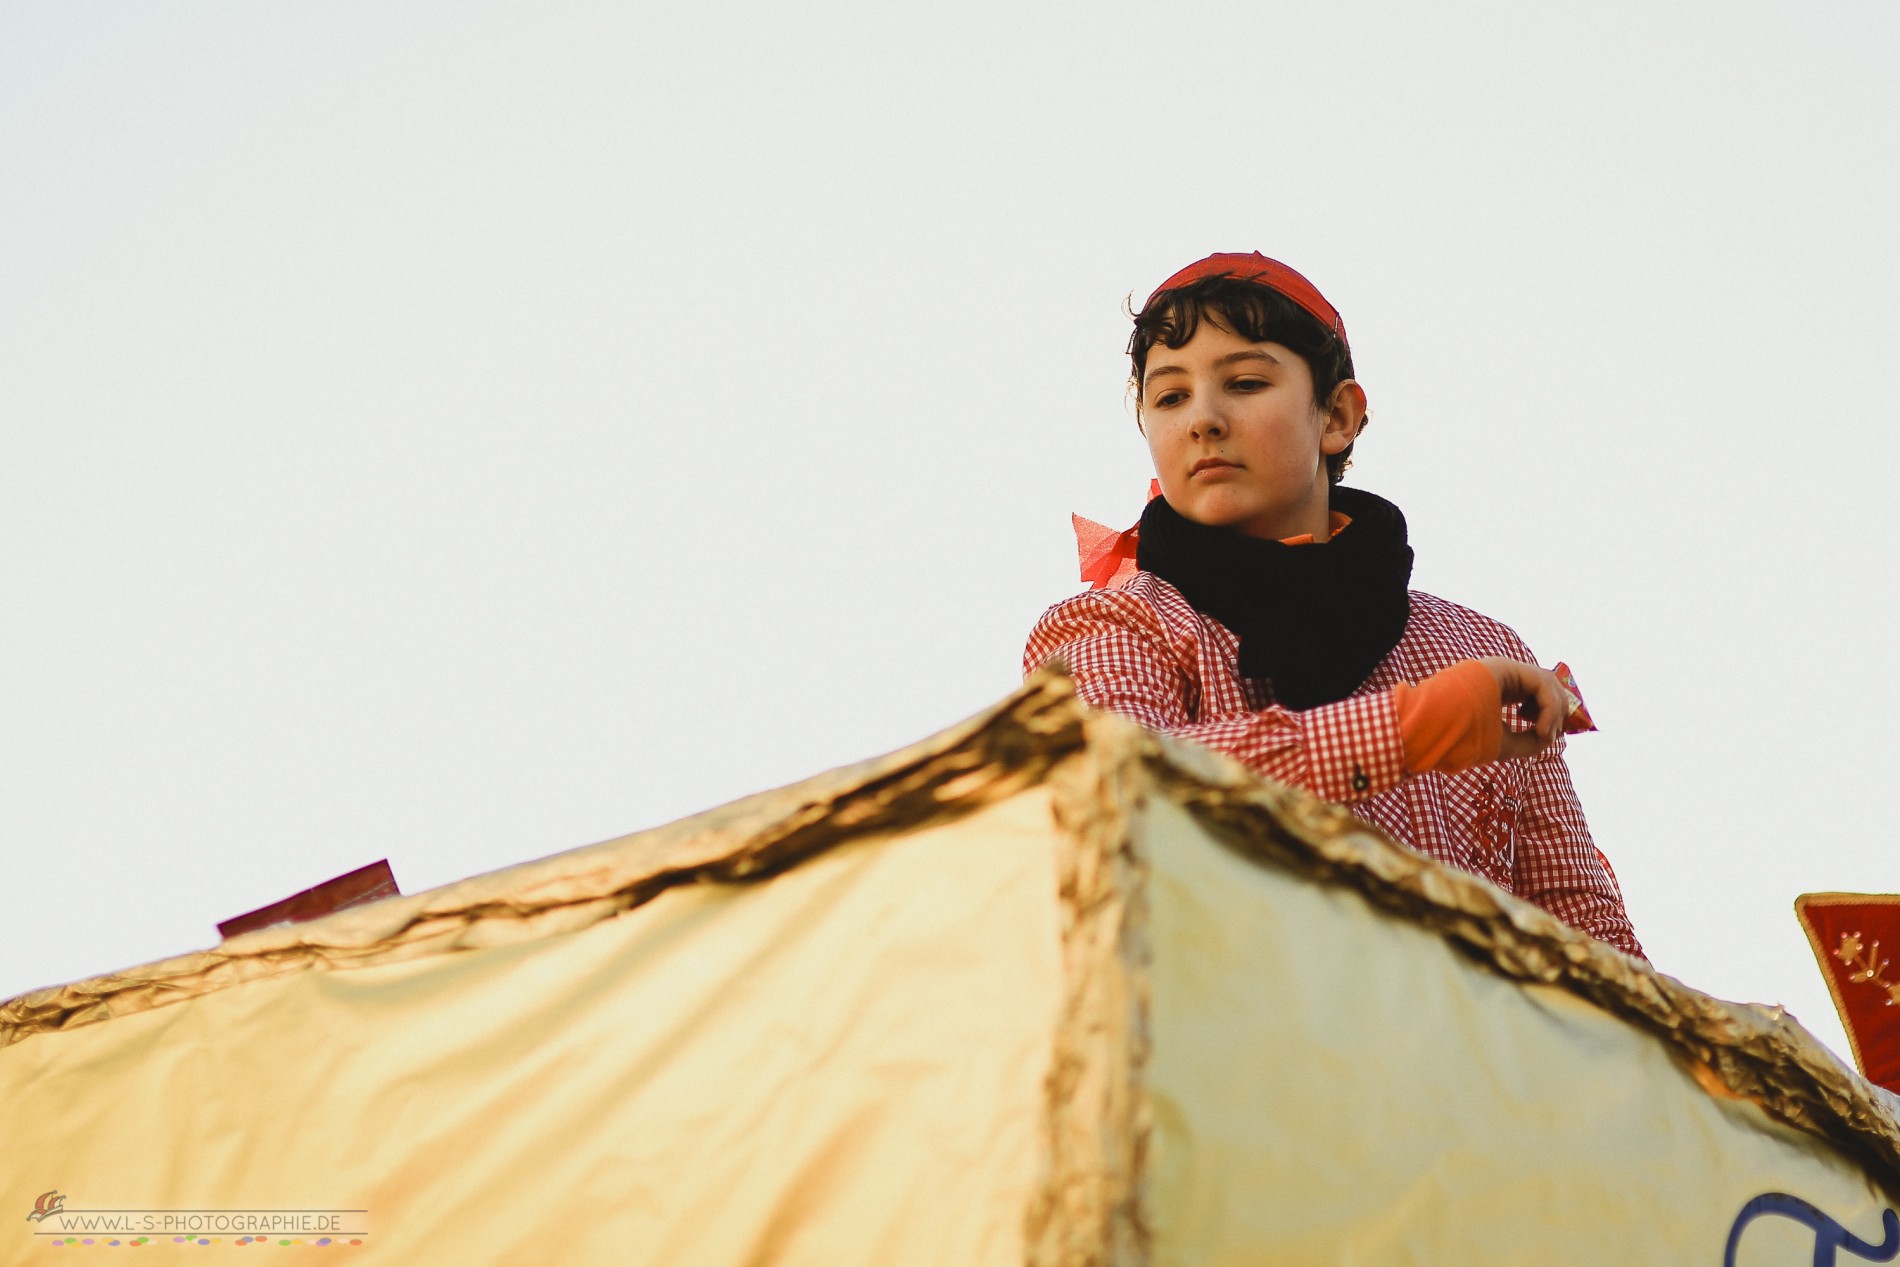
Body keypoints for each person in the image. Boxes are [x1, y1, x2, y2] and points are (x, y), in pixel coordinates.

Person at [1024, 252, 1644, 958]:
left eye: (1246, 382)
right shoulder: (1115, 624)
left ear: (1339, 416)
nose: (1202, 419)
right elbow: (1118, 789)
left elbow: (1587, 931)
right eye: (1169, 397)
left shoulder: (1476, 647)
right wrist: (1416, 729)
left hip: (1458, 1064)